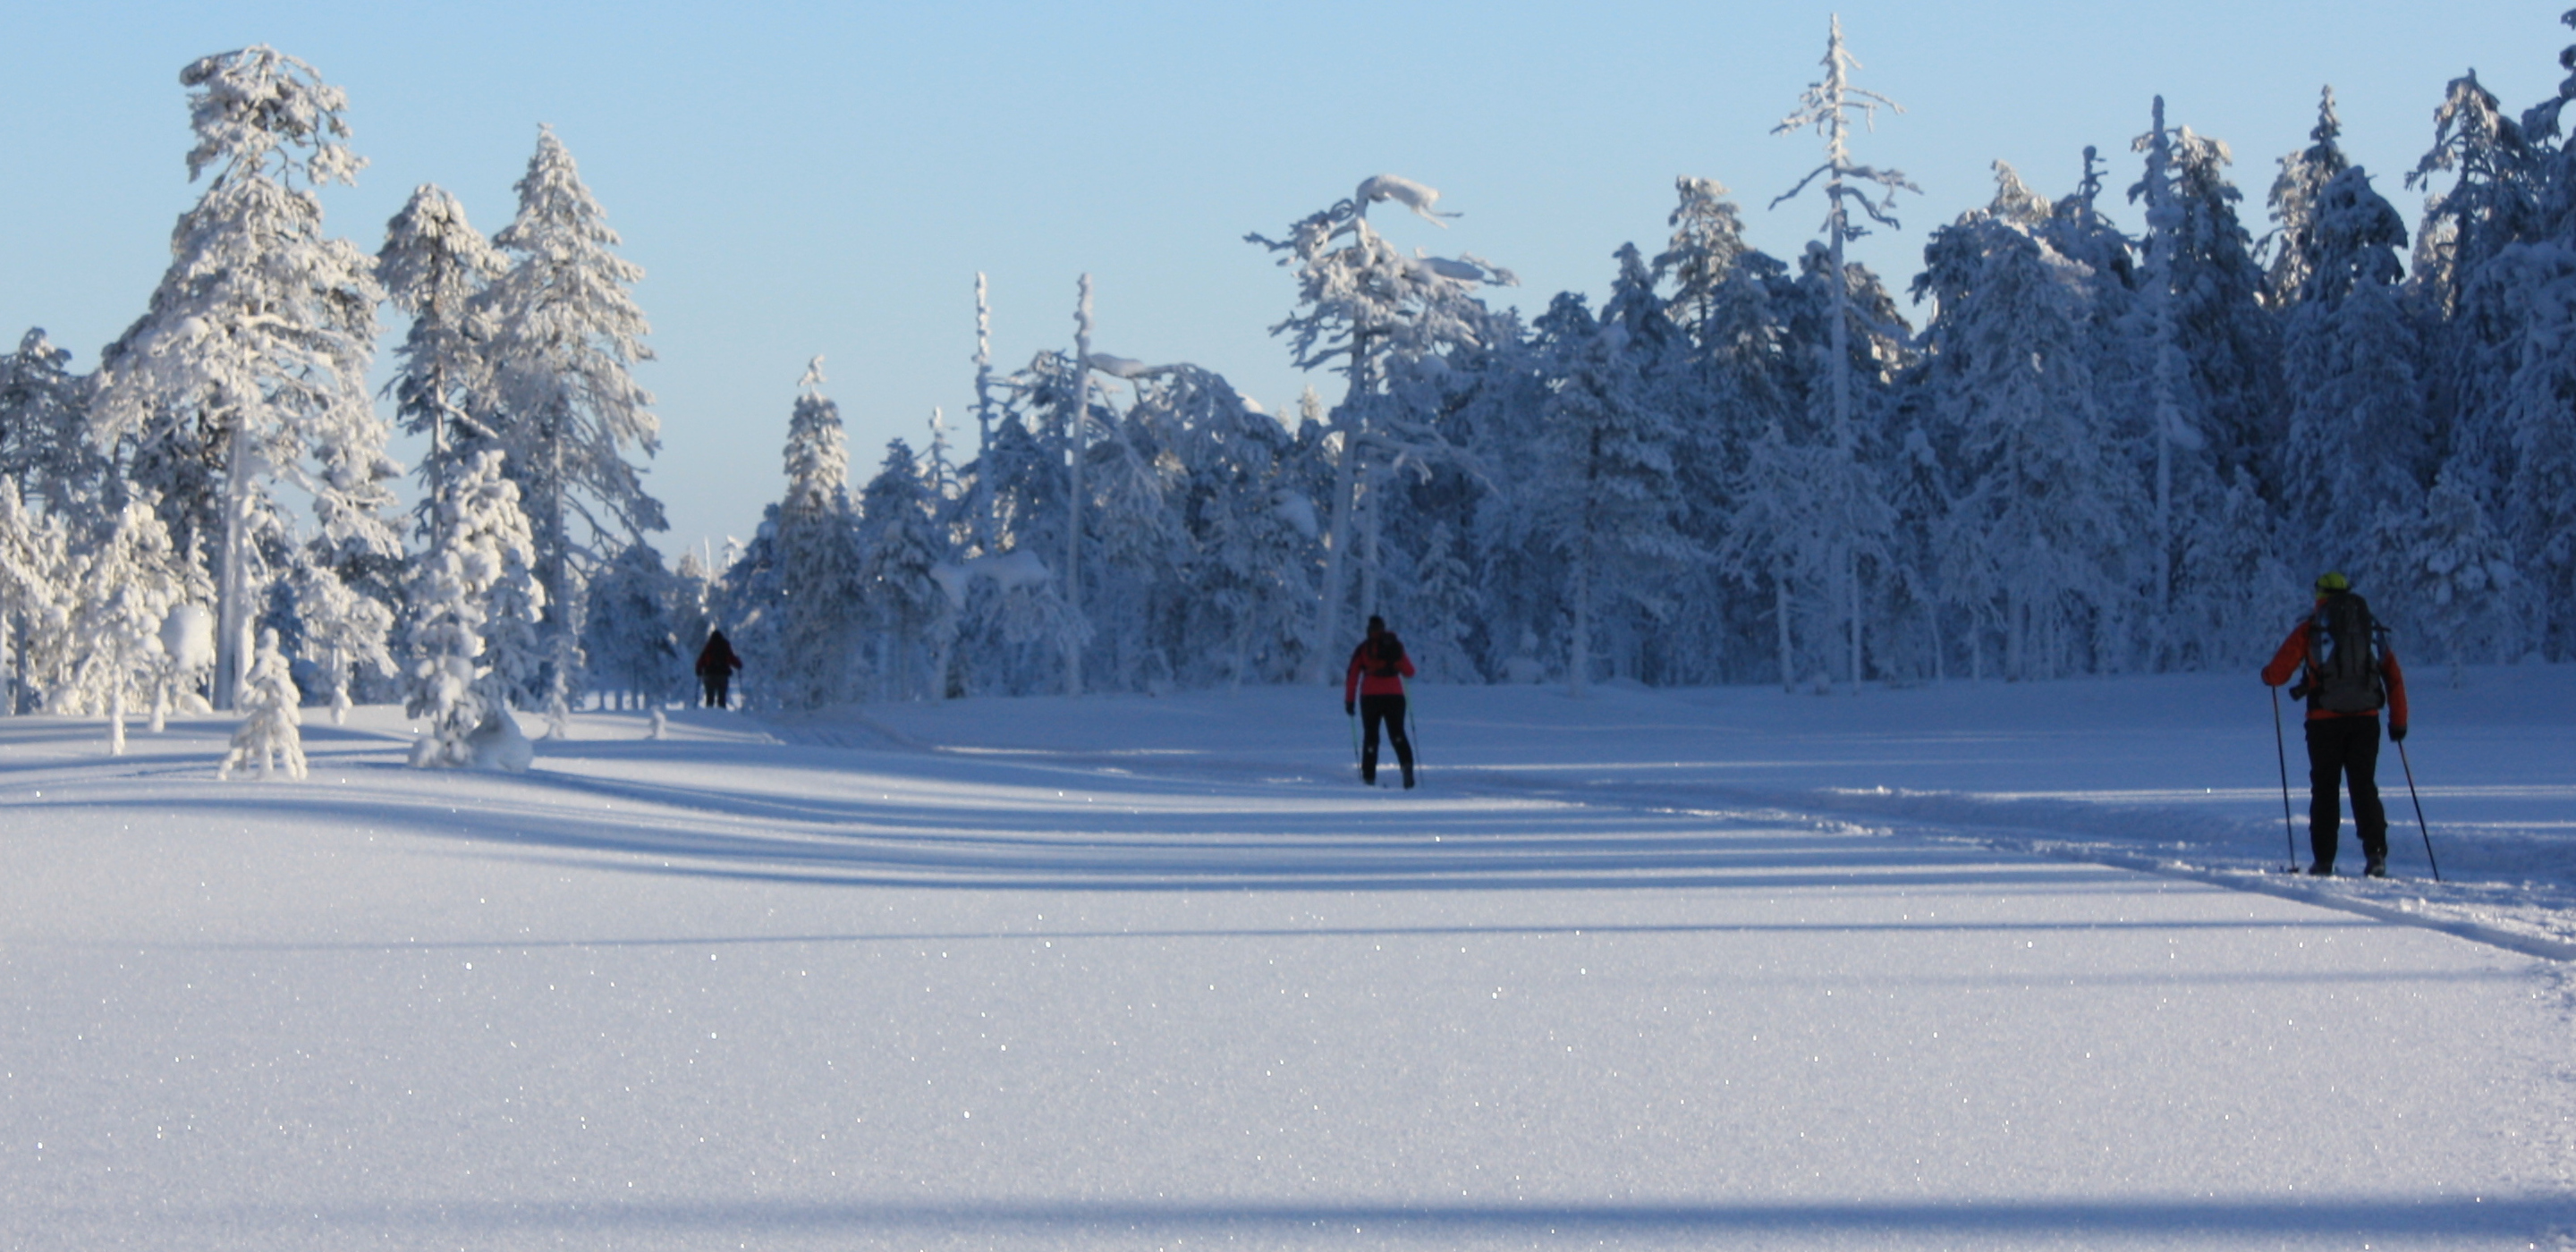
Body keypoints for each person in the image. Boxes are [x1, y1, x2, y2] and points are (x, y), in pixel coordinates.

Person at [2261, 572, 2410, 877]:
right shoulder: (2369, 627)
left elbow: (2277, 674)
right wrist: (2399, 721)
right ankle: (2376, 854)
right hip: (2366, 720)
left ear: (2320, 596)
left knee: (2325, 789)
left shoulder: (2312, 628)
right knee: (2364, 786)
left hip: (2323, 723)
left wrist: (2267, 675)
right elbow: (2392, 675)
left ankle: (2325, 860)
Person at [1343, 614, 1416, 789]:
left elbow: (1352, 675)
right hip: (1395, 696)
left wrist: (1349, 701)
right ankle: (1406, 767)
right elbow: (1410, 671)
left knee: (1371, 737)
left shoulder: (1363, 648)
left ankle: (1369, 777)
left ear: (1369, 630)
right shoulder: (1395, 646)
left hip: (1370, 697)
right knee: (1397, 733)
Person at [695, 629, 742, 709]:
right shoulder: (725, 645)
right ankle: (721, 714)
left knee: (710, 697)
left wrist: (698, 670)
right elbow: (731, 657)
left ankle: (709, 714)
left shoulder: (709, 645)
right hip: (722, 675)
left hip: (709, 674)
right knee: (722, 697)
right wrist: (739, 665)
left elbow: (701, 659)